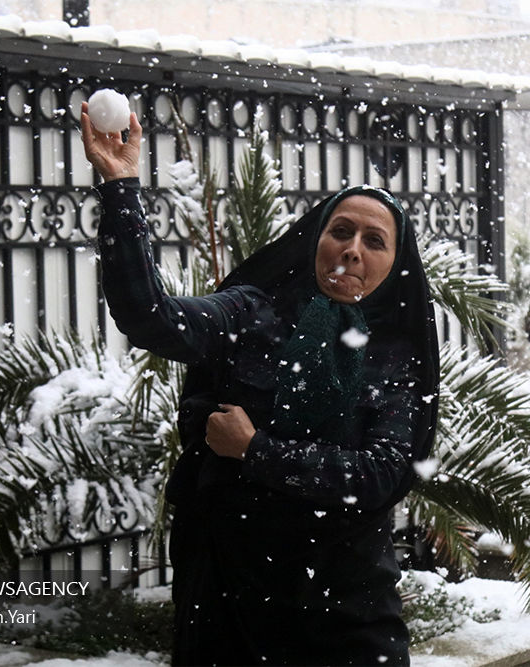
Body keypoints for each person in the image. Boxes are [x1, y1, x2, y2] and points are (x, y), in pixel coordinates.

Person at [81, 102, 439, 666]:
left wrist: (257, 450)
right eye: (341, 231)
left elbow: (377, 476)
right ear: (314, 241)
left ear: (395, 265)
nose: (352, 248)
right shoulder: (252, 312)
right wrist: (122, 186)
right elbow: (150, 316)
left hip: (345, 614)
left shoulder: (397, 359)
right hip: (232, 607)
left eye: (375, 241)